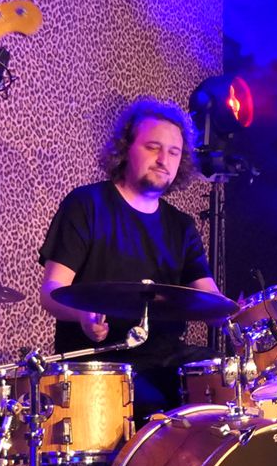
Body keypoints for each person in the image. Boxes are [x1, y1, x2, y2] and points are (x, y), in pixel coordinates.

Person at [37, 96, 222, 412]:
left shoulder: (182, 226)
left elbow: (211, 301)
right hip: (103, 364)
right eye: (153, 147)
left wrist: (247, 312)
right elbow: (51, 291)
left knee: (223, 386)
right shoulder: (86, 205)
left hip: (168, 361)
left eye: (174, 152)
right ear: (125, 149)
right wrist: (82, 315)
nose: (164, 160)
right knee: (153, 403)